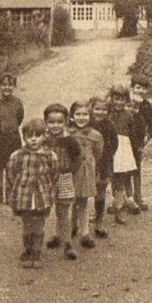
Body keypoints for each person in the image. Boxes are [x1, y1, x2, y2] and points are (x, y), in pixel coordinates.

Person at [7, 118, 59, 269]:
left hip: (42, 197)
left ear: (44, 136)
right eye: (30, 136)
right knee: (27, 225)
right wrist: (15, 191)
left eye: (38, 135)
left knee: (39, 225)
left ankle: (36, 252)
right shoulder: (17, 155)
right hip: (24, 197)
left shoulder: (50, 156)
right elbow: (10, 174)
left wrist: (50, 191)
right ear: (24, 137)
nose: (34, 139)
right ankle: (28, 250)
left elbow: (55, 175)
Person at [43, 103, 82, 260]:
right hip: (45, 180)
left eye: (59, 122)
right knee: (42, 210)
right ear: (46, 122)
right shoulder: (43, 140)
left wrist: (69, 171)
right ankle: (54, 236)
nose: (55, 125)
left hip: (63, 178)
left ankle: (68, 243)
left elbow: (78, 159)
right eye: (51, 122)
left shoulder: (70, 141)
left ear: (66, 122)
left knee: (63, 212)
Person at [68, 100, 103, 249]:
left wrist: (89, 164)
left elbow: (98, 153)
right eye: (78, 114)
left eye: (85, 114)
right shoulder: (67, 134)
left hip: (85, 171)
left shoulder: (95, 135)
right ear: (72, 116)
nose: (81, 118)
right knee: (69, 200)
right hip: (70, 172)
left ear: (90, 116)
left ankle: (85, 233)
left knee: (83, 201)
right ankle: (70, 227)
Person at [0, 73, 25, 206]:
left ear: (14, 87)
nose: (7, 87)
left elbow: (20, 117)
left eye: (10, 85)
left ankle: (10, 192)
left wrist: (12, 127)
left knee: (12, 165)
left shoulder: (17, 102)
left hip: (13, 137)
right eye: (4, 85)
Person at [109, 85, 139, 222]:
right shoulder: (107, 113)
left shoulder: (128, 116)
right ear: (112, 98)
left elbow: (132, 135)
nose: (119, 102)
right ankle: (114, 202)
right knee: (111, 177)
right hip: (110, 147)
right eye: (116, 99)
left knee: (121, 178)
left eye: (122, 100)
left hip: (123, 149)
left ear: (126, 100)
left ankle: (119, 210)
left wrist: (135, 149)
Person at [90, 96, 118, 238]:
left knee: (101, 189)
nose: (100, 112)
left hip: (104, 162)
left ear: (108, 111)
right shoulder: (87, 123)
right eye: (97, 109)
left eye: (104, 110)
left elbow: (115, 143)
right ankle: (76, 222)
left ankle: (99, 221)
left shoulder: (110, 125)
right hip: (88, 162)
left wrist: (108, 155)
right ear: (91, 109)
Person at [129, 74, 152, 211]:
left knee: (136, 169)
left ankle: (138, 196)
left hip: (138, 142)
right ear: (132, 88)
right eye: (138, 88)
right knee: (122, 171)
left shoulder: (146, 105)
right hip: (124, 142)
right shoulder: (126, 103)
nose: (141, 91)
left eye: (144, 89)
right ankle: (123, 198)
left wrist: (147, 135)